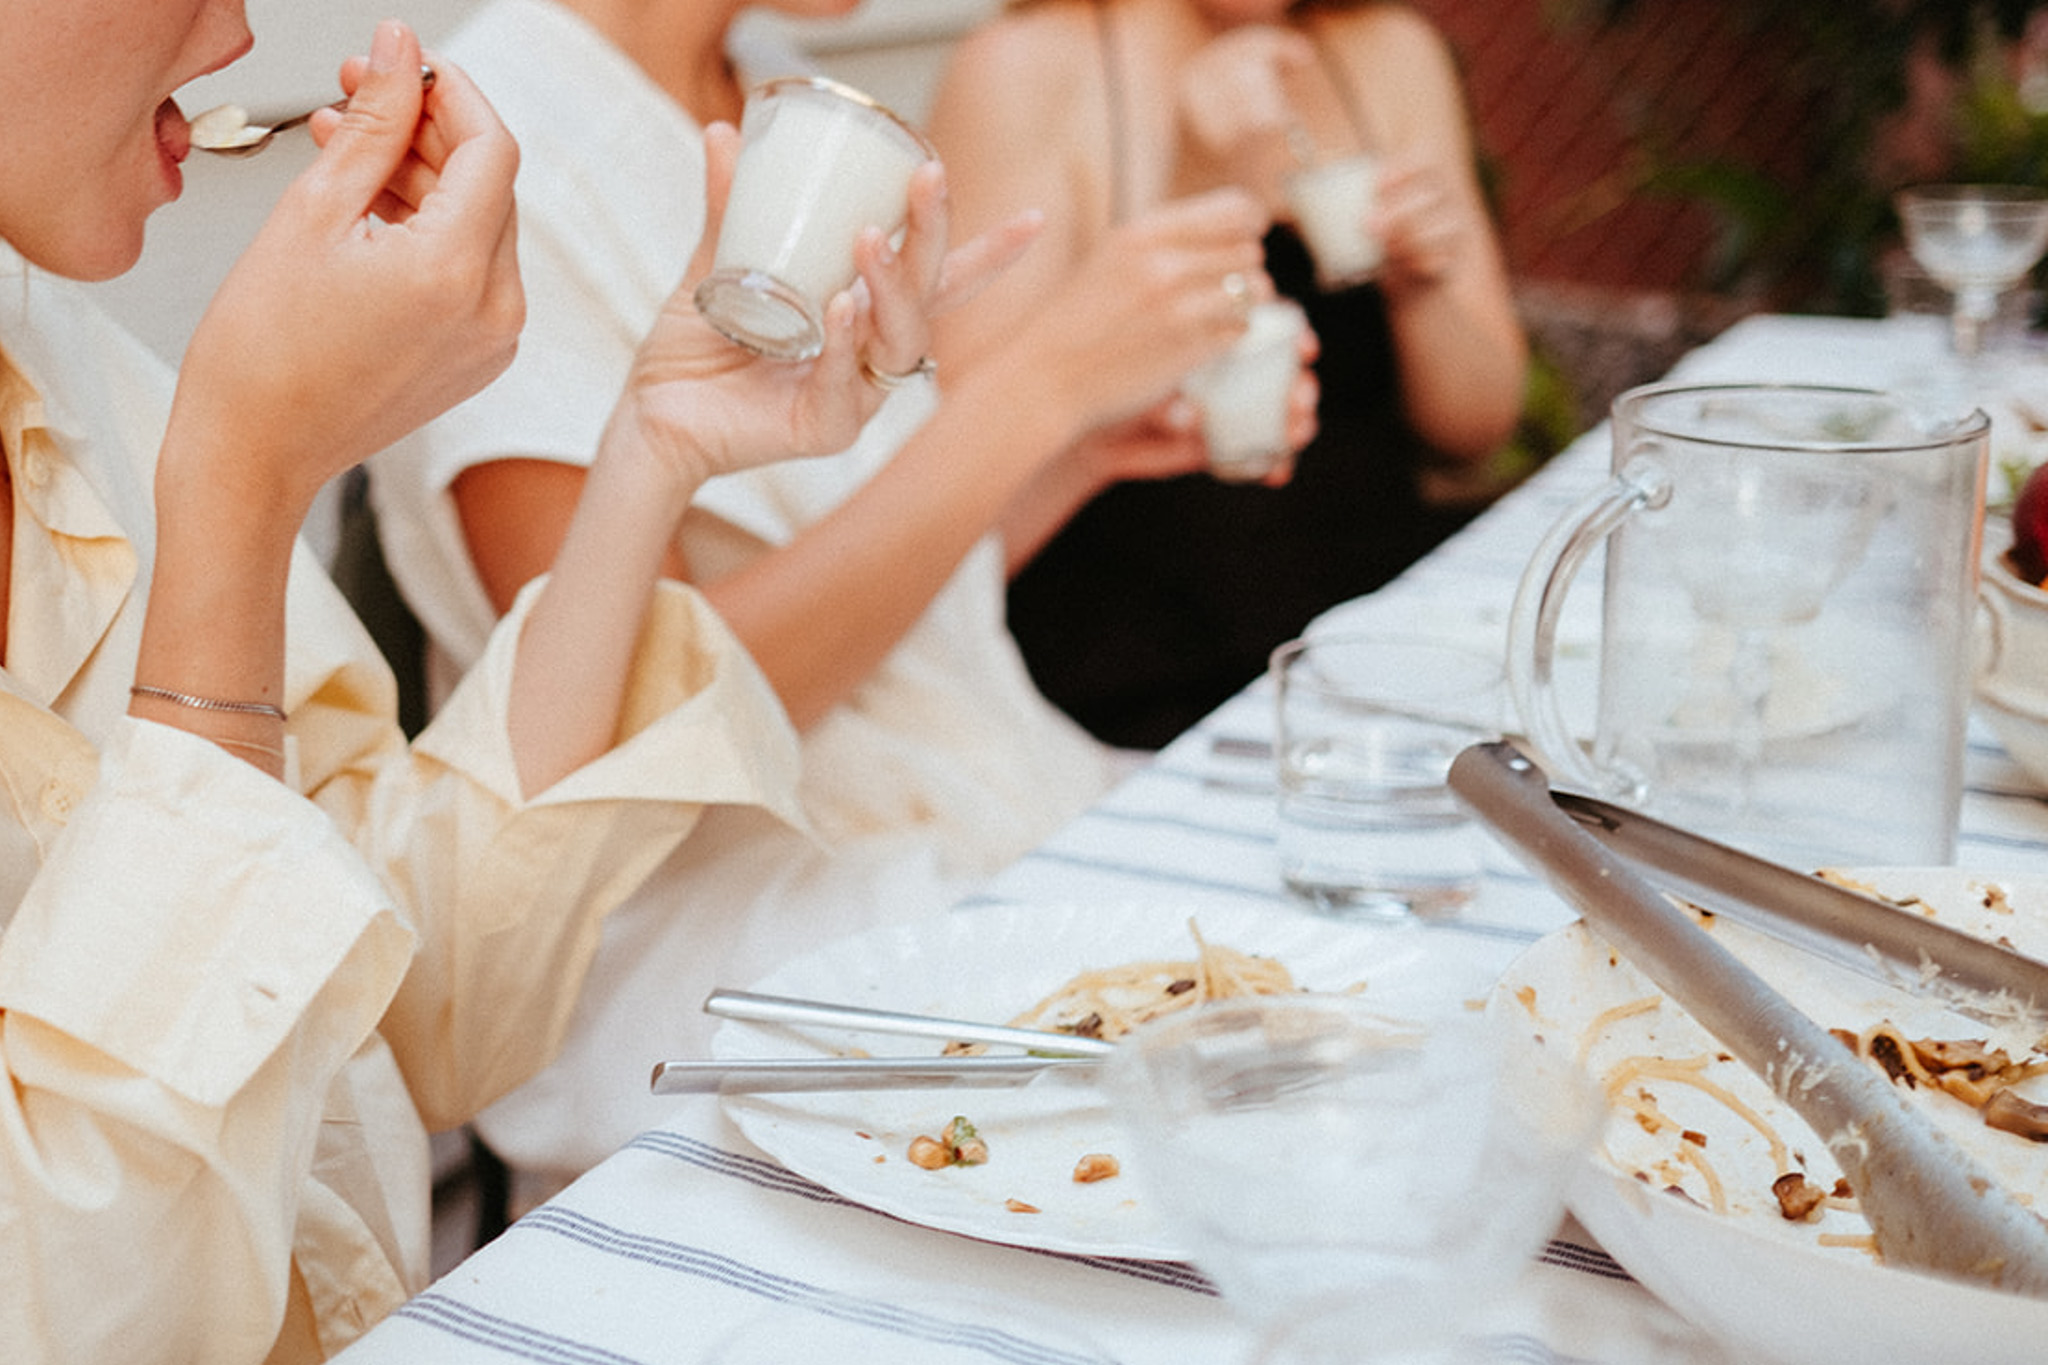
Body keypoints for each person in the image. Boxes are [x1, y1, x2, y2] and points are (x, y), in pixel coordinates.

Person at [0, 2, 980, 1359]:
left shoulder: (67, 367)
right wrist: (242, 487)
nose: (235, 32)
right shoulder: (189, 428)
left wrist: (654, 447)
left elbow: (410, 1016)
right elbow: (69, 1306)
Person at [367, 0, 1312, 1188]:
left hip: (952, 794)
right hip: (705, 930)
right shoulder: (484, 147)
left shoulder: (778, 89)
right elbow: (625, 741)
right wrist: (1031, 394)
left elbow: (878, 594)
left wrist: (1070, 451)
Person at [930, 0, 1529, 748]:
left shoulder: (1389, 52)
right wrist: (1197, 189)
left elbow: (1474, 430)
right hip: (1130, 684)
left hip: (1372, 656)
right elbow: (960, 502)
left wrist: (1421, 289)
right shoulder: (1022, 69)